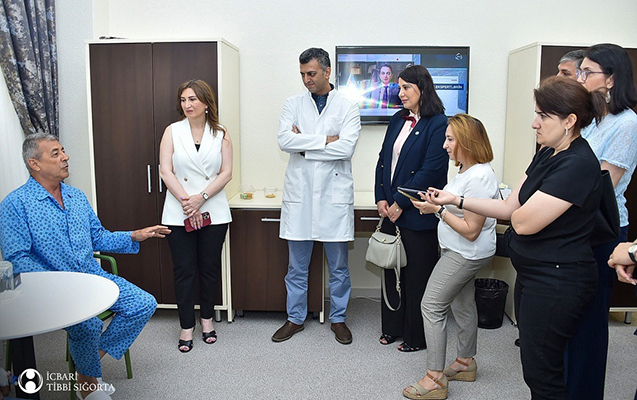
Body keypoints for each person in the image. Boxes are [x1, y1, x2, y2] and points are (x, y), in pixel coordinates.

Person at [424, 76, 606, 400]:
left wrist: (460, 207)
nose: (535, 123)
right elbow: (509, 206)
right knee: (534, 367)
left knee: (543, 373)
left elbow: (521, 223)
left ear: (569, 121)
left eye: (543, 116)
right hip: (534, 274)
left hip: (558, 280)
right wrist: (456, 201)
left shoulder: (577, 164)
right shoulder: (547, 153)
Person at [0, 133, 169, 400]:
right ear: (35, 163)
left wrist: (134, 235)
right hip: (53, 288)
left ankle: (87, 366)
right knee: (88, 325)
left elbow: (98, 237)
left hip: (93, 277)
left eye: (63, 151)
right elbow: (17, 258)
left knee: (143, 303)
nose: (65, 157)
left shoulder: (76, 197)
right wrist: (60, 284)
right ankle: (89, 384)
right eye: (56, 153)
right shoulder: (15, 204)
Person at [403, 114, 498, 399]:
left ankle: (435, 379)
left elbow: (471, 230)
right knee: (462, 303)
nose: (444, 145)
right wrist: (438, 199)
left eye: (449, 139)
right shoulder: (468, 172)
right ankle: (465, 362)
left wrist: (438, 211)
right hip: (460, 250)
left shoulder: (479, 177)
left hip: (465, 252)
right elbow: (459, 206)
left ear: (466, 142)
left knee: (431, 306)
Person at [272, 47, 361, 344]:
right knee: (296, 267)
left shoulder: (347, 105)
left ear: (327, 71)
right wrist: (325, 140)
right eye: (302, 74)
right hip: (301, 195)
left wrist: (304, 146)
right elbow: (285, 141)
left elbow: (346, 148)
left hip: (333, 196)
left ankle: (338, 319)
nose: (306, 79)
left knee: (339, 267)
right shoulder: (293, 103)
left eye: (311, 73)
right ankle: (295, 318)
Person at [566, 43, 637, 400]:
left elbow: (602, 183)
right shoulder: (595, 120)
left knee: (590, 322)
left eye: (586, 72)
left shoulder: (627, 123)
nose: (580, 78)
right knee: (571, 319)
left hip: (603, 229)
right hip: (576, 226)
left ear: (610, 79)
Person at [374, 65, 448, 352]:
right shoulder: (397, 119)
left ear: (423, 89)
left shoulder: (438, 123)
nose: (400, 92)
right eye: (399, 87)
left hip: (417, 211)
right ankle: (391, 328)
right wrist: (381, 197)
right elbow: (383, 160)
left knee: (417, 277)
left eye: (406, 87)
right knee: (391, 271)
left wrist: (400, 203)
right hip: (390, 209)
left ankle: (416, 337)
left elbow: (430, 171)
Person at [159, 79, 233, 353]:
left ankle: (207, 320)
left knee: (209, 269)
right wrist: (187, 202)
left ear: (206, 103)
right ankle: (186, 326)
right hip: (179, 211)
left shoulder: (221, 133)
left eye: (192, 99)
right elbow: (165, 170)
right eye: (183, 100)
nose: (187, 105)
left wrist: (201, 198)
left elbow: (226, 172)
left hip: (213, 208)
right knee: (184, 270)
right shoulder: (172, 131)